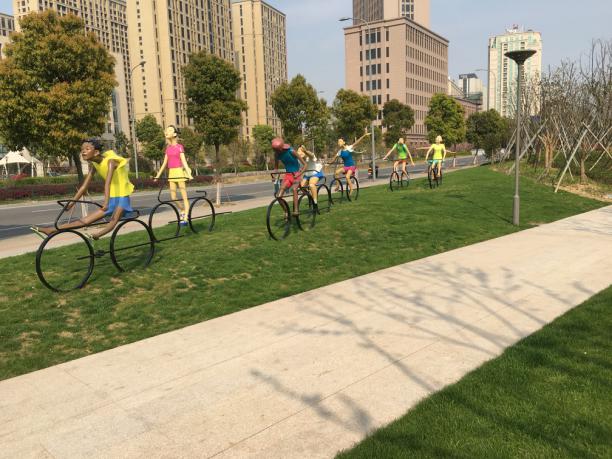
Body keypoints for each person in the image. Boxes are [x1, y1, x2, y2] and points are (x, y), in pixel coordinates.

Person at [31, 139, 135, 240]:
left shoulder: (110, 162)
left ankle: (98, 235)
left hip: (122, 196)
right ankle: (51, 230)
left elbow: (107, 183)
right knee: (85, 221)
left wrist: (106, 202)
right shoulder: (94, 164)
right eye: (82, 149)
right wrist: (71, 203)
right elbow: (84, 187)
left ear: (96, 152)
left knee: (113, 220)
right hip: (112, 197)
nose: (83, 152)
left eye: (87, 149)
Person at [154, 126, 193, 225]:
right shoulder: (168, 149)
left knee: (184, 197)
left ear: (175, 134)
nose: (167, 132)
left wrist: (189, 174)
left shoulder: (179, 147)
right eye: (166, 130)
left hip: (179, 172)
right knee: (173, 197)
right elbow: (164, 164)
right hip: (171, 174)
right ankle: (182, 209)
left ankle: (186, 217)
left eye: (170, 130)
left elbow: (184, 162)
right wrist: (157, 175)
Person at [271, 137, 307, 215]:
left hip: (296, 175)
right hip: (288, 176)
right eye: (275, 150)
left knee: (294, 189)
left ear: (281, 148)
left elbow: (305, 165)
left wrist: (299, 173)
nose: (276, 152)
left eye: (277, 150)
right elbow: (276, 168)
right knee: (278, 196)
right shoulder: (277, 155)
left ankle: (296, 210)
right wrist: (274, 176)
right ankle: (286, 211)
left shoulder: (291, 151)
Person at [331, 130, 370, 196]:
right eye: (338, 142)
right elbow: (333, 159)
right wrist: (328, 163)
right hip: (346, 167)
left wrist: (364, 135)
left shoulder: (348, 147)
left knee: (347, 177)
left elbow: (357, 142)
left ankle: (351, 189)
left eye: (340, 141)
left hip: (351, 166)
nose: (338, 143)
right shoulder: (339, 152)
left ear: (344, 142)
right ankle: (337, 186)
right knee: (336, 172)